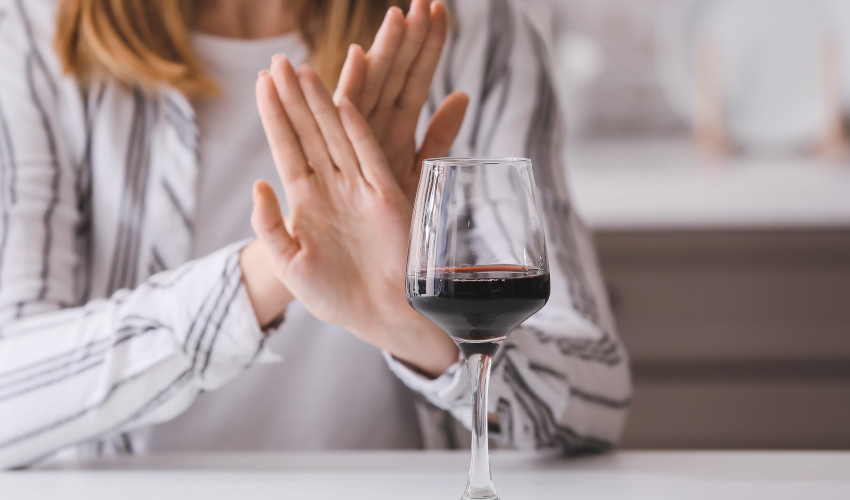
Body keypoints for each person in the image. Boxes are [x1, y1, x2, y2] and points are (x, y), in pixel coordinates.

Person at [0, 0, 631, 469]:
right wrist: (273, 273)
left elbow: (599, 390)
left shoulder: (476, 33)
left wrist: (417, 327)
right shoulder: (35, 35)